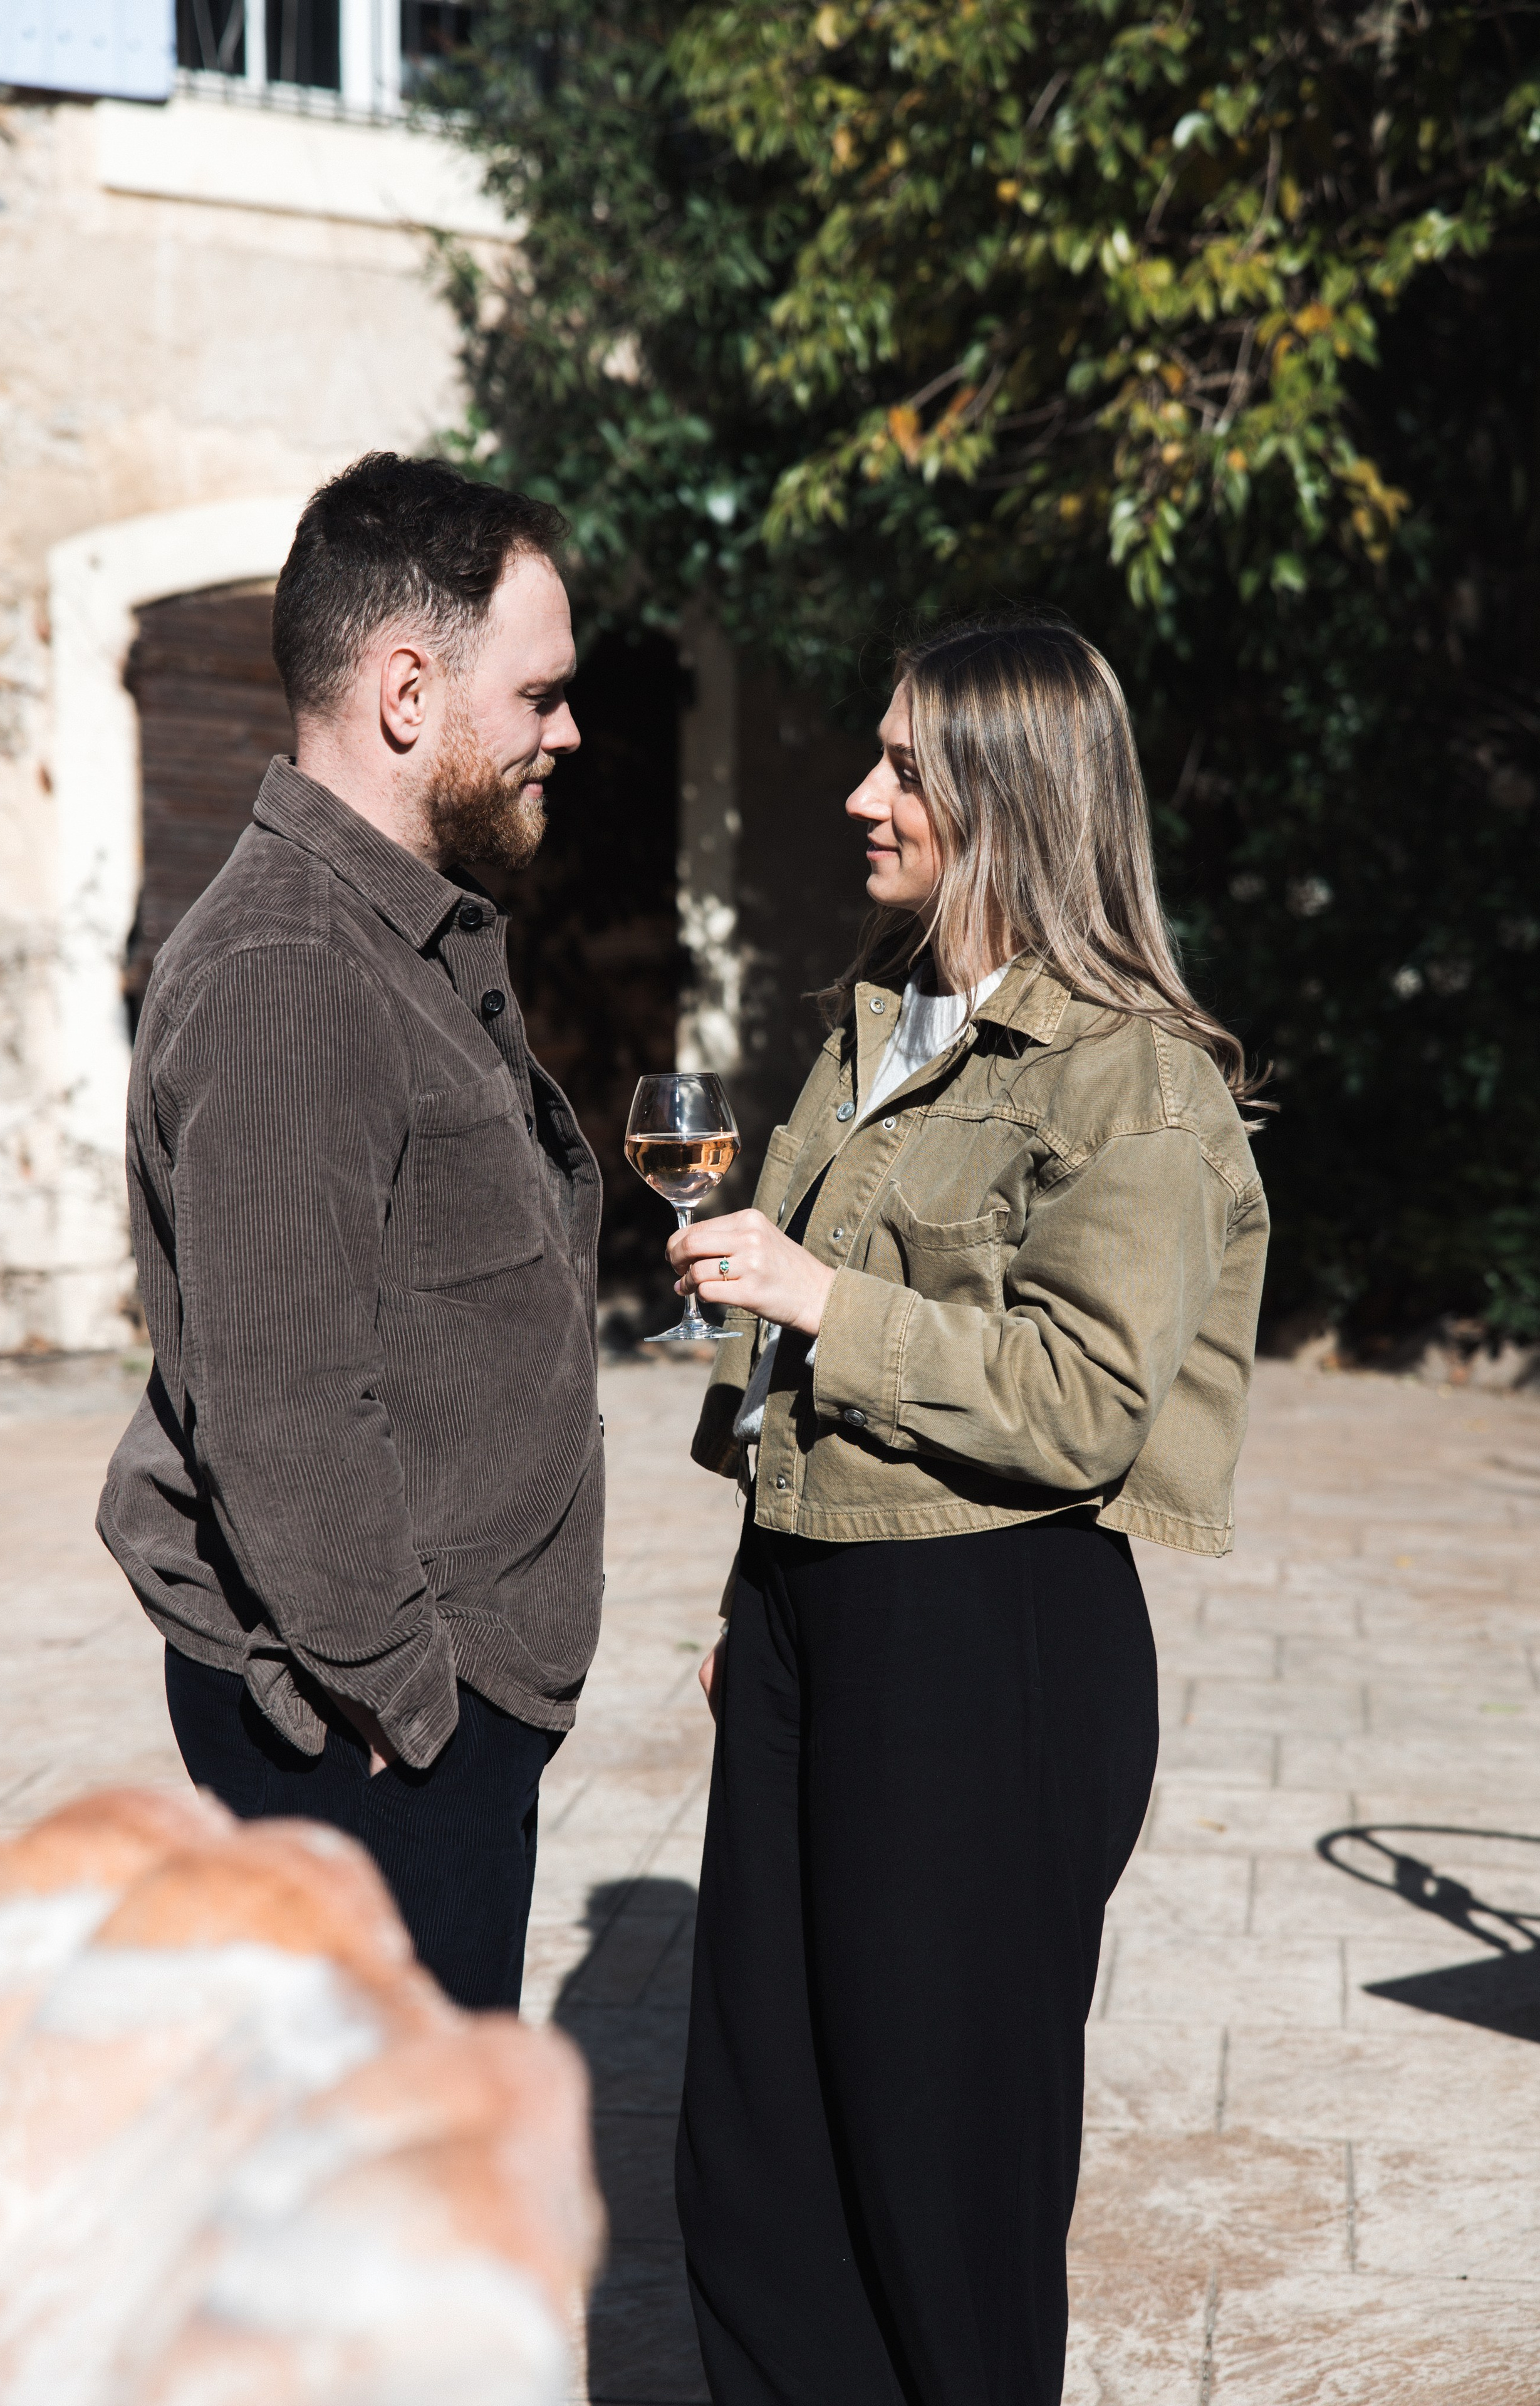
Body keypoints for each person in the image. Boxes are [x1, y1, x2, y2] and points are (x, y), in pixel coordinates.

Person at [668, 618, 1270, 2405]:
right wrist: (750, 1596)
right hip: (809, 1605)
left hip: (986, 1635)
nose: (862, 796)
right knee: (762, 2145)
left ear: (1011, 796)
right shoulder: (880, 1013)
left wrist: (812, 1295)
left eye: (905, 767)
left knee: (943, 2170)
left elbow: (1085, 1403)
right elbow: (784, 1360)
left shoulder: (1133, 1077)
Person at [98, 453, 604, 2012]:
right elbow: (282, 1399)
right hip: (369, 1746)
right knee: (391, 2220)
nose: (565, 732)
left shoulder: (393, 933)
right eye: (537, 694)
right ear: (406, 692)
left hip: (412, 1733)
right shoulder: (290, 969)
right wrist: (405, 1692)